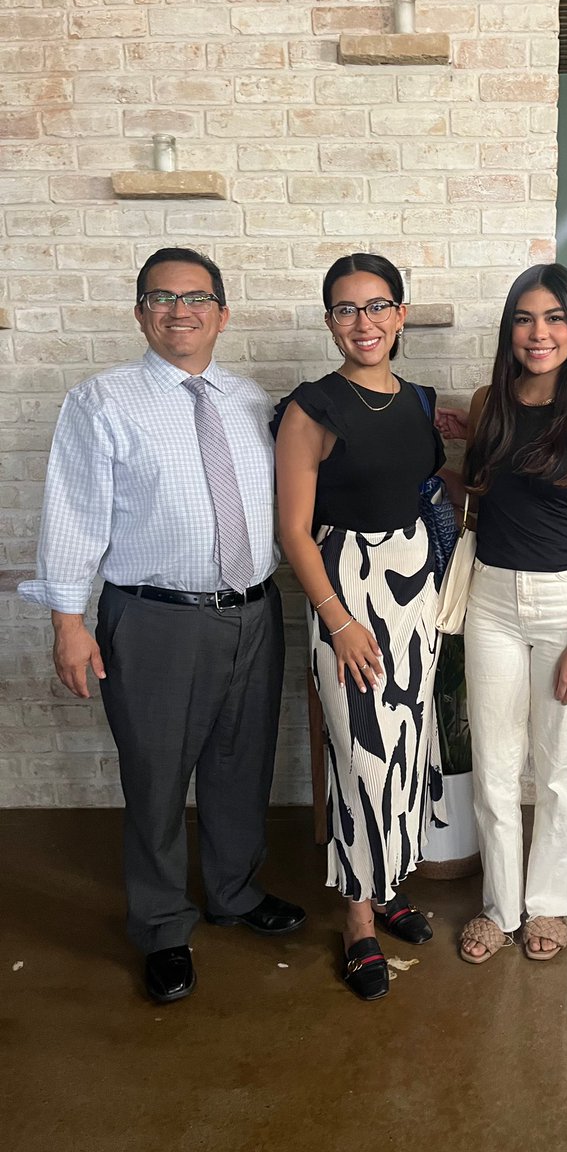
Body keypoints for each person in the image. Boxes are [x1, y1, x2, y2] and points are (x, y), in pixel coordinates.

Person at [19, 248, 305, 1005]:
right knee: (154, 777)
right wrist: (68, 623)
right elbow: (73, 514)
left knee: (241, 766)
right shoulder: (101, 402)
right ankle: (161, 925)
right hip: (153, 619)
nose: (181, 311)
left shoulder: (252, 401)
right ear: (140, 310)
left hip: (253, 610)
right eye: (163, 297)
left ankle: (235, 894)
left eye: (197, 297)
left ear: (223, 312)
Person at [273, 253, 446, 1001]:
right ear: (329, 322)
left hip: (417, 596)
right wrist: (337, 620)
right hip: (348, 594)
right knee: (360, 752)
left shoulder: (419, 400)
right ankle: (356, 915)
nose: (363, 323)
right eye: (346, 310)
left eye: (377, 307)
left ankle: (386, 884)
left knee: (407, 748)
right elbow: (293, 531)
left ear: (400, 315)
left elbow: (426, 486)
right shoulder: (312, 408)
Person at [458, 263, 567, 965]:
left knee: (561, 768)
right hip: (491, 602)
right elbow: (482, 493)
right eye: (525, 319)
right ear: (510, 330)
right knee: (495, 766)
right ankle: (500, 906)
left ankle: (551, 906)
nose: (539, 333)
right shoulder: (484, 405)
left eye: (554, 318)